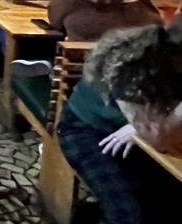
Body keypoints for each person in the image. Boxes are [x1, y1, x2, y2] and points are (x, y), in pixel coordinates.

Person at [57, 24, 182, 224]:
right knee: (128, 214)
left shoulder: (171, 62)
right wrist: (138, 128)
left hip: (140, 137)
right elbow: (156, 135)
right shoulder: (134, 62)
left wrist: (136, 128)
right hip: (86, 128)